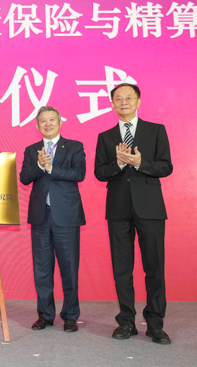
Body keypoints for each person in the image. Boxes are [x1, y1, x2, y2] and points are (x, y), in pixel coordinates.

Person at [94, 83, 173, 344]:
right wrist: (118, 163)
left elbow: (166, 166)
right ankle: (126, 321)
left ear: (138, 101)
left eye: (129, 97)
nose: (124, 102)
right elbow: (99, 172)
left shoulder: (156, 130)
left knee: (154, 266)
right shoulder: (105, 137)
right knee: (122, 268)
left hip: (150, 207)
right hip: (118, 208)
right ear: (112, 104)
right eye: (118, 98)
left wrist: (140, 163)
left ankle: (155, 323)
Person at [19, 106, 86, 333]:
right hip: (40, 217)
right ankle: (45, 315)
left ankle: (70, 316)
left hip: (66, 216)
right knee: (42, 269)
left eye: (51, 120)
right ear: (37, 125)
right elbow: (24, 177)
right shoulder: (32, 150)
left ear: (59, 122)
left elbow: (79, 174)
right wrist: (39, 165)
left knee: (69, 268)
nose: (47, 124)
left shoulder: (74, 146)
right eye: (43, 121)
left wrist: (51, 168)